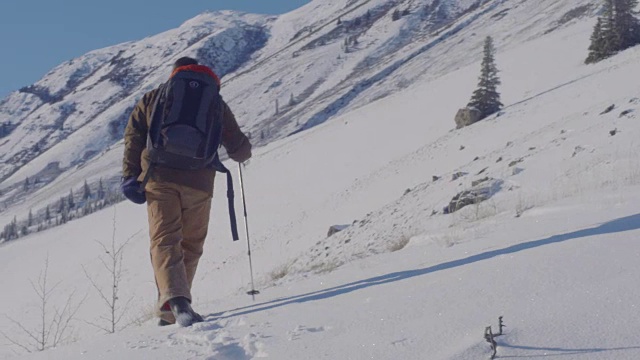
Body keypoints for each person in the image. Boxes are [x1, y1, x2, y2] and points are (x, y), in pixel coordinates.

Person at [121, 57, 252, 327]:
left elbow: (133, 137)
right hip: (199, 183)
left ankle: (176, 303)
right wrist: (242, 149)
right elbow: (239, 150)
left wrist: (129, 177)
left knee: (165, 239)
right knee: (191, 244)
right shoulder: (215, 101)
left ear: (173, 75)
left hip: (159, 177)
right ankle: (174, 308)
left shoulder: (154, 97)